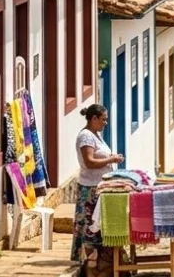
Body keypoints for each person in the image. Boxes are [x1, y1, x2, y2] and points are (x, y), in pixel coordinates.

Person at [72, 104, 123, 268]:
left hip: (99, 185)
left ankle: (101, 259)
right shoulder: (86, 137)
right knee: (89, 224)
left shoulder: (96, 134)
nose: (105, 123)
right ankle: (90, 261)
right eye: (103, 119)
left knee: (98, 223)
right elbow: (90, 162)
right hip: (90, 187)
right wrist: (111, 160)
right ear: (93, 118)